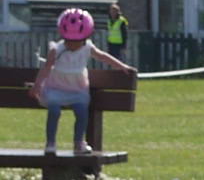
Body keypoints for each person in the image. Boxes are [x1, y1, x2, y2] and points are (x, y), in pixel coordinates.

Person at [28, 8, 133, 155]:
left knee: (82, 111)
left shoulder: (88, 48)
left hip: (77, 90)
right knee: (54, 110)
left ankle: (79, 142)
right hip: (56, 88)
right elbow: (46, 68)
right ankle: (50, 143)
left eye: (77, 41)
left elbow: (103, 56)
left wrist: (121, 66)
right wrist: (38, 85)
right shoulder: (56, 50)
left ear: (85, 38)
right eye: (69, 41)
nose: (73, 45)